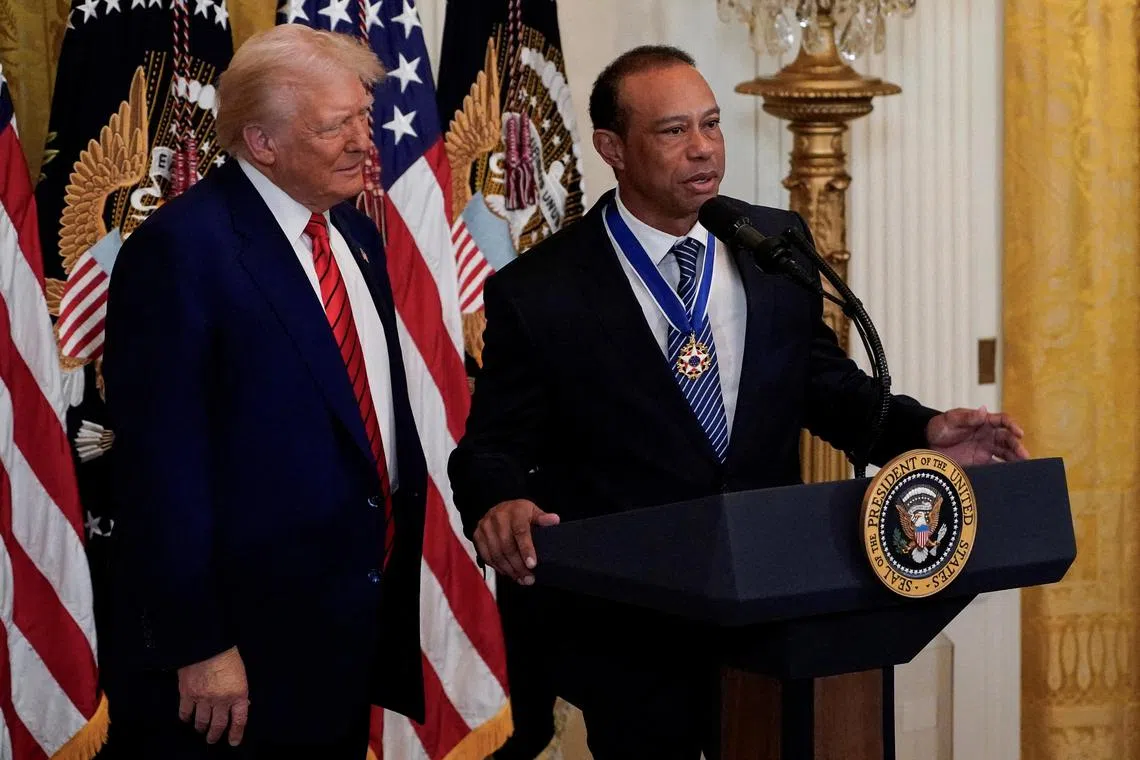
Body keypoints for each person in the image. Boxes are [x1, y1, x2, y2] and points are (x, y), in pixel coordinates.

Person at [448, 45, 1029, 760]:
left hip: (773, 600)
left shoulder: (770, 242)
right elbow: (492, 446)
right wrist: (497, 500)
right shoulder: (541, 290)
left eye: (712, 124)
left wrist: (925, 429)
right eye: (673, 131)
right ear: (612, 148)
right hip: (634, 621)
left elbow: (823, 383)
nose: (703, 150)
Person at [102, 25, 427, 758]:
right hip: (238, 657)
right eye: (334, 126)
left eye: (363, 118)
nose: (363, 142)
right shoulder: (182, 252)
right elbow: (161, 471)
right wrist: (201, 642)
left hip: (344, 627)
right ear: (262, 141)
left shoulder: (352, 234)